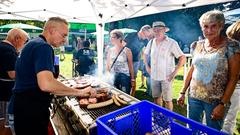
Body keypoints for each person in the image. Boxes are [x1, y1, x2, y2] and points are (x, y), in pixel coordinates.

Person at [12, 17, 95, 135]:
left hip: (23, 107)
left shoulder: (32, 44)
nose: (65, 40)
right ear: (51, 30)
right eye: (63, 35)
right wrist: (79, 92)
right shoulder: (43, 47)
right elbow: (46, 84)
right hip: (32, 110)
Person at [177, 10, 240, 131]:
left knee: (212, 131)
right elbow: (192, 69)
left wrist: (222, 105)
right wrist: (182, 91)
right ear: (202, 28)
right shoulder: (197, 45)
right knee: (192, 129)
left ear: (221, 26)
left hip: (216, 100)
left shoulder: (232, 46)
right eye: (205, 26)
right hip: (194, 96)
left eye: (213, 26)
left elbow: (234, 77)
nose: (209, 30)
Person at [144, 21, 186, 111]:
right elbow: (145, 54)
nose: (157, 32)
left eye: (160, 30)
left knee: (167, 100)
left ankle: (168, 121)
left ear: (164, 30)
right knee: (156, 98)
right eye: (155, 30)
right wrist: (147, 67)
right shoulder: (151, 42)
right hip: (154, 76)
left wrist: (174, 73)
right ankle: (158, 116)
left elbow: (182, 58)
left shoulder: (171, 43)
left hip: (166, 77)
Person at [0, 28, 28, 128]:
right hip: (7, 90)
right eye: (24, 41)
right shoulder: (9, 50)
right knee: (7, 123)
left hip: (3, 89)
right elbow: (12, 74)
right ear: (17, 39)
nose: (24, 45)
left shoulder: (2, 46)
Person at [222, 20, 240, 135]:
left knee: (213, 115)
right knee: (230, 117)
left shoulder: (225, 45)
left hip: (221, 83)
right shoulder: (233, 47)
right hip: (234, 85)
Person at [124, 26, 151, 96]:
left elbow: (148, 48)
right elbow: (123, 46)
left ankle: (132, 92)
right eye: (145, 35)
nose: (146, 37)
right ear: (141, 31)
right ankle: (125, 89)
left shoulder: (145, 40)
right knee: (126, 75)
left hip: (136, 60)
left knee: (134, 76)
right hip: (126, 59)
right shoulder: (131, 35)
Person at [106, 29, 135, 95]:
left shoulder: (127, 50)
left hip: (124, 77)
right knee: (113, 95)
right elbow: (108, 64)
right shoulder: (110, 50)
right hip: (113, 76)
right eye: (110, 37)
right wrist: (107, 76)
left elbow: (131, 66)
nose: (111, 39)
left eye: (113, 37)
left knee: (124, 96)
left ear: (120, 38)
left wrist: (132, 79)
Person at [139, 25, 154, 97]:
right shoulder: (148, 39)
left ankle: (151, 92)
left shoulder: (154, 38)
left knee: (151, 76)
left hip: (153, 61)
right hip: (148, 59)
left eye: (144, 33)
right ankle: (149, 91)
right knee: (148, 75)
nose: (143, 35)